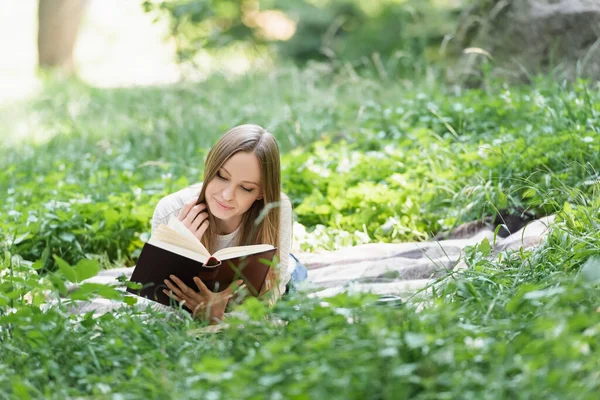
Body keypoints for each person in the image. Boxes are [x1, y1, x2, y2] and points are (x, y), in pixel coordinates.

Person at [150, 124, 307, 323]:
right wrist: (176, 251)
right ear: (210, 167)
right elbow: (155, 308)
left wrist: (218, 317)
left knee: (296, 290)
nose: (227, 196)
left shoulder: (275, 208)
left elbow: (270, 301)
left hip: (282, 277)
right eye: (221, 176)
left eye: (246, 188)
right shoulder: (170, 211)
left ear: (261, 193)